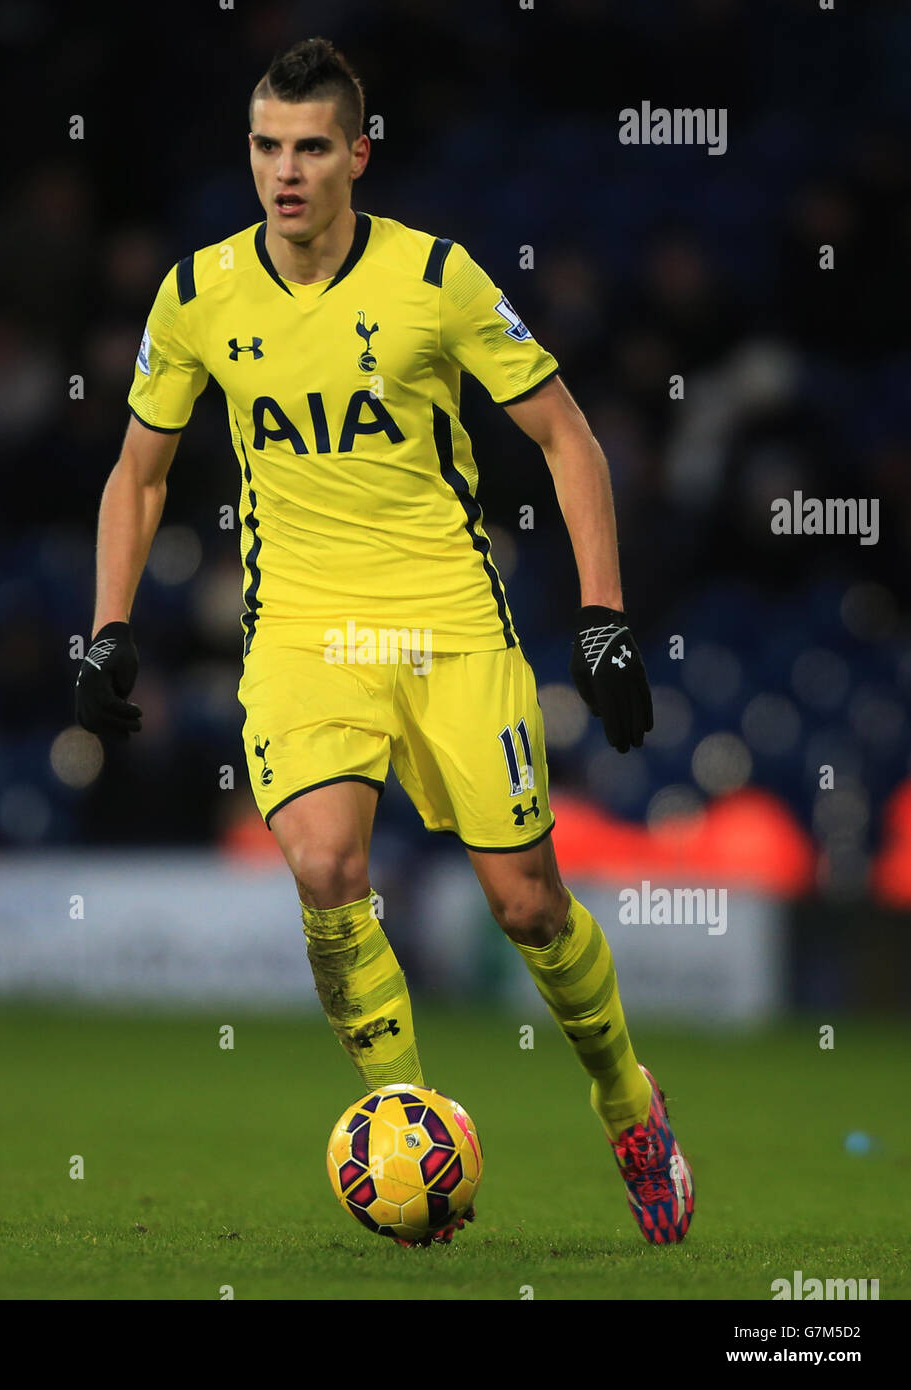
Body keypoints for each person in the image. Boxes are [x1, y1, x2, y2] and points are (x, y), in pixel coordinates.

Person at [76, 36, 693, 1248]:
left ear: (358, 153)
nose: (285, 172)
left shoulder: (438, 280)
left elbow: (569, 438)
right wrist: (106, 630)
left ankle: (625, 1093)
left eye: (311, 147)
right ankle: (402, 1126)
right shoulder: (197, 295)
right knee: (323, 868)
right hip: (302, 630)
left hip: (449, 624)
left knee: (526, 907)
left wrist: (606, 616)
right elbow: (136, 475)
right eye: (266, 146)